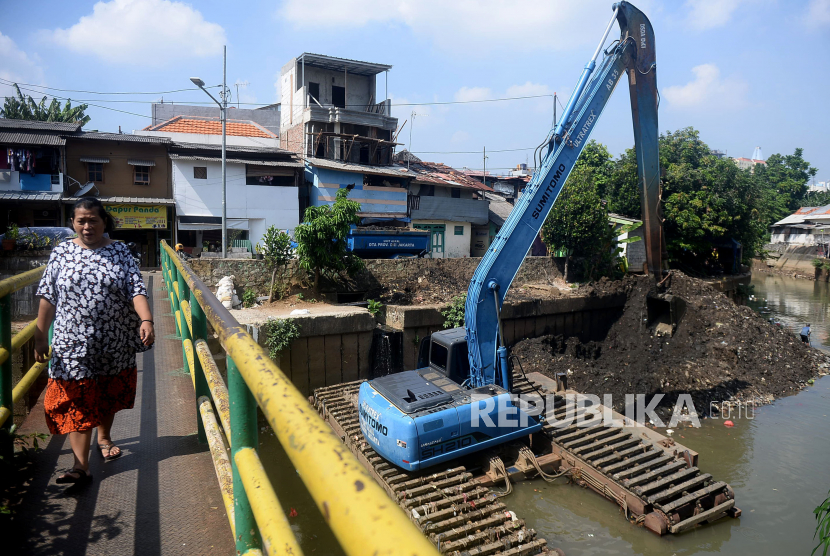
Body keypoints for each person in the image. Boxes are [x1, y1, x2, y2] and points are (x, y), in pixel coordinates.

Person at [34, 198, 155, 485]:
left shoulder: (120, 251)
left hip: (113, 340)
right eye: (81, 221)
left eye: (93, 221)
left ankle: (104, 436)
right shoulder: (61, 252)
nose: (87, 226)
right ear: (73, 223)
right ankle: (80, 467)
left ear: (104, 223)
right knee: (78, 398)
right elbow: (48, 295)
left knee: (107, 392)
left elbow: (136, 289)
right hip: (71, 343)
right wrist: (40, 335)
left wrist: (147, 319)